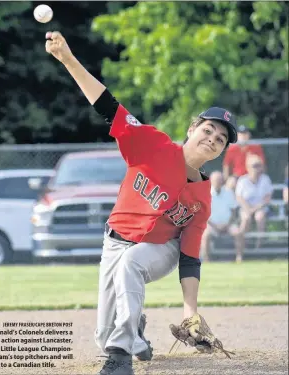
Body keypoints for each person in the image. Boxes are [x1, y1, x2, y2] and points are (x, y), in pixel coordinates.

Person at [45, 31, 238, 375]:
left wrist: (188, 310)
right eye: (208, 129)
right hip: (114, 241)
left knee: (132, 264)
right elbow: (108, 106)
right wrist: (68, 60)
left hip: (160, 249)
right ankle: (133, 334)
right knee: (103, 335)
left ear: (222, 151)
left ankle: (120, 359)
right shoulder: (152, 144)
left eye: (220, 139)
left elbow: (190, 257)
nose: (212, 139)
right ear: (193, 128)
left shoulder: (202, 199)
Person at [200, 171, 241, 262]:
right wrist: (215, 226)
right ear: (211, 181)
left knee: (238, 232)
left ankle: (239, 258)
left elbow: (233, 211)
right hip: (212, 225)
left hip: (228, 225)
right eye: (216, 180)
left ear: (223, 181)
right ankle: (206, 259)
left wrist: (227, 224)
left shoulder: (229, 192)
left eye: (220, 180)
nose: (218, 182)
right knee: (206, 235)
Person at [235, 154, 273, 252]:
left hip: (261, 207)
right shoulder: (242, 180)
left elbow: (267, 198)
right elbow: (239, 198)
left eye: (259, 165)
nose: (257, 168)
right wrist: (249, 209)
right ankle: (243, 246)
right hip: (246, 208)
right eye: (254, 165)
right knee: (246, 218)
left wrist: (255, 209)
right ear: (248, 167)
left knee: (259, 217)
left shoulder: (266, 179)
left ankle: (259, 246)